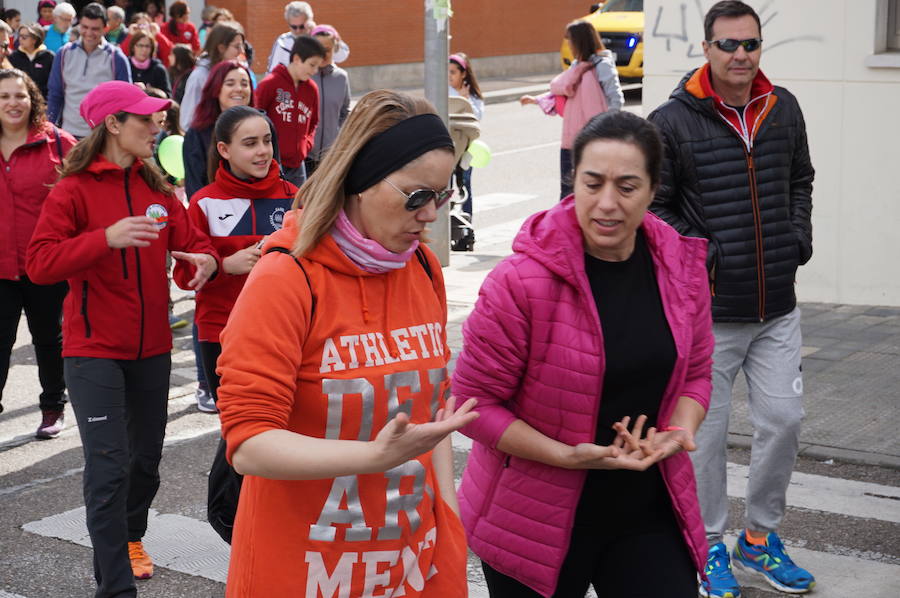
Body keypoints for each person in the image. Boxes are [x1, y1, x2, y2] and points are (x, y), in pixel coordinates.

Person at [215, 89, 475, 596]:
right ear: (359, 180)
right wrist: (372, 457)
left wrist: (449, 524)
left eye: (441, 196)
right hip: (300, 570)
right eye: (416, 196)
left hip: (412, 566)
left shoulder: (421, 268)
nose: (430, 216)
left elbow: (432, 420)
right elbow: (248, 443)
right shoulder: (286, 277)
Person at [453, 110, 713, 598]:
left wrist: (678, 431)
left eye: (627, 186)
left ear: (655, 188)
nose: (607, 204)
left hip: (647, 506)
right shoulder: (518, 283)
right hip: (533, 516)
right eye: (592, 184)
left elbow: (697, 373)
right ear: (573, 180)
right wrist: (565, 456)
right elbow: (473, 408)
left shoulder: (681, 268)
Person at [647, 2, 817, 596]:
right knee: (707, 437)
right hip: (709, 314)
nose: (740, 55)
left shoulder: (783, 107)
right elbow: (655, 207)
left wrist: (798, 238)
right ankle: (709, 546)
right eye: (728, 45)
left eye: (750, 44)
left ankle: (760, 540)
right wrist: (706, 256)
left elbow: (801, 179)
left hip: (778, 306)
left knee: (784, 420)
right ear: (706, 49)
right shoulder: (671, 121)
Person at [25, 79, 217, 597]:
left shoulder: (157, 189)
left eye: (158, 119)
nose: (157, 128)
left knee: (144, 463)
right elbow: (40, 264)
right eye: (146, 120)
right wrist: (102, 240)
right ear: (113, 124)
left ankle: (132, 535)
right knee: (108, 468)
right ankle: (114, 588)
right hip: (93, 351)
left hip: (152, 346)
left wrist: (201, 263)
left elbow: (190, 247)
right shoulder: (73, 189)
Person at [175, 105, 297, 407]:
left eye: (267, 141)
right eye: (250, 143)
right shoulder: (203, 203)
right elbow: (184, 277)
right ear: (223, 150)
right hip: (222, 332)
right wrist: (223, 266)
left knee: (282, 429)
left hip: (284, 332)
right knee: (238, 433)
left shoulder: (294, 197)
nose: (263, 151)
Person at [0, 68, 77, 432]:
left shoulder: (58, 143)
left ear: (33, 99)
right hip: (1, 267)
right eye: (4, 97)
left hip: (45, 264)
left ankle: (52, 407)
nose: (12, 103)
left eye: (19, 95)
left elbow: (84, 193)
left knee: (49, 338)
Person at [520, 19, 623, 199]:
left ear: (581, 41)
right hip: (571, 138)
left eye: (570, 40)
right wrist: (535, 100)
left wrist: (608, 128)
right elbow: (562, 91)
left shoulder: (602, 65)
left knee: (591, 189)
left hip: (595, 138)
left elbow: (615, 99)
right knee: (568, 190)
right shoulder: (577, 66)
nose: (568, 44)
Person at [47, 2, 131, 139]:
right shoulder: (63, 54)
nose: (89, 33)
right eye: (85, 27)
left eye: (95, 29)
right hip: (68, 135)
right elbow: (55, 94)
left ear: (105, 28)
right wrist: (50, 128)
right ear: (79, 25)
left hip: (103, 138)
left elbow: (125, 101)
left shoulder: (117, 57)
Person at [255, 34, 324, 187]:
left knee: (298, 208)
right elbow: (254, 117)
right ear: (297, 59)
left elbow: (313, 122)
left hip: (298, 165)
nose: (314, 71)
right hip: (271, 163)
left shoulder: (312, 89)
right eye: (312, 65)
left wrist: (306, 145)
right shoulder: (270, 83)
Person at [184, 59, 253, 199]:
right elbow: (194, 187)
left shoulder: (262, 128)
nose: (239, 88)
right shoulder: (197, 134)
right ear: (216, 89)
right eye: (230, 83)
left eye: (244, 84)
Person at [179, 20, 245, 132]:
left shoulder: (237, 72)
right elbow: (187, 121)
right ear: (221, 48)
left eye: (242, 46)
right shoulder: (200, 77)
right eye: (237, 46)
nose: (241, 51)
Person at [306, 24, 350, 177]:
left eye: (328, 50)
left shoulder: (342, 77)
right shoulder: (305, 76)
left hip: (332, 156)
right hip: (305, 155)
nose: (323, 55)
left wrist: (339, 139)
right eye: (319, 49)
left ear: (335, 49)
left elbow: (344, 113)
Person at [448, 52, 483, 222]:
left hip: (466, 149)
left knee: (464, 185)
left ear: (464, 74)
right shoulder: (443, 92)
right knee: (445, 186)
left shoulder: (473, 96)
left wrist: (464, 99)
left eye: (453, 72)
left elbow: (477, 118)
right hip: (447, 149)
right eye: (447, 71)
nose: (449, 76)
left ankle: (466, 220)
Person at [266, 1, 315, 72]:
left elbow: (337, 57)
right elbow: (272, 71)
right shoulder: (282, 42)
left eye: (302, 26)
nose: (298, 31)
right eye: (294, 27)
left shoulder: (319, 37)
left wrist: (316, 34)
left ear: (310, 22)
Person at [9, 25, 55, 98]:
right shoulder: (13, 57)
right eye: (19, 36)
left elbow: (54, 82)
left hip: (43, 101)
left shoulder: (49, 56)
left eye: (24, 37)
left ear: (35, 39)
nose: (20, 39)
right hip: (20, 100)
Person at [128, 30, 170, 96]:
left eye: (147, 46)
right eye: (140, 45)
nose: (144, 50)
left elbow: (168, 96)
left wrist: (148, 91)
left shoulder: (158, 69)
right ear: (133, 47)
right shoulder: (125, 65)